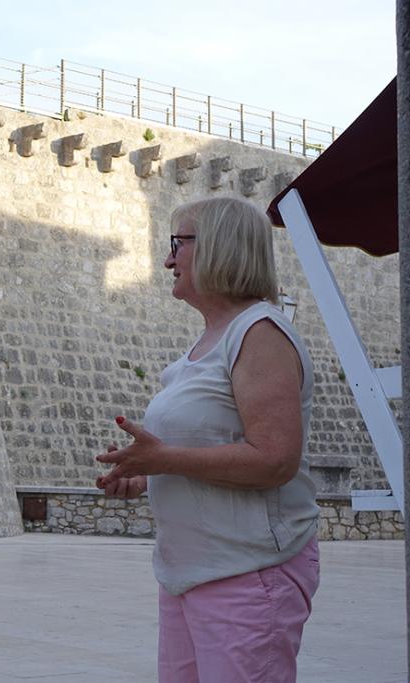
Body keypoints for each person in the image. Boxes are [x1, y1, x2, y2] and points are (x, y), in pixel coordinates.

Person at [95, 196, 320, 683]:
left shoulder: (260, 333)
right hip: (191, 573)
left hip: (247, 572)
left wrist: (163, 460)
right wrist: (146, 474)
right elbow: (203, 451)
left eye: (178, 244)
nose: (167, 260)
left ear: (218, 246)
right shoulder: (208, 344)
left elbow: (275, 460)